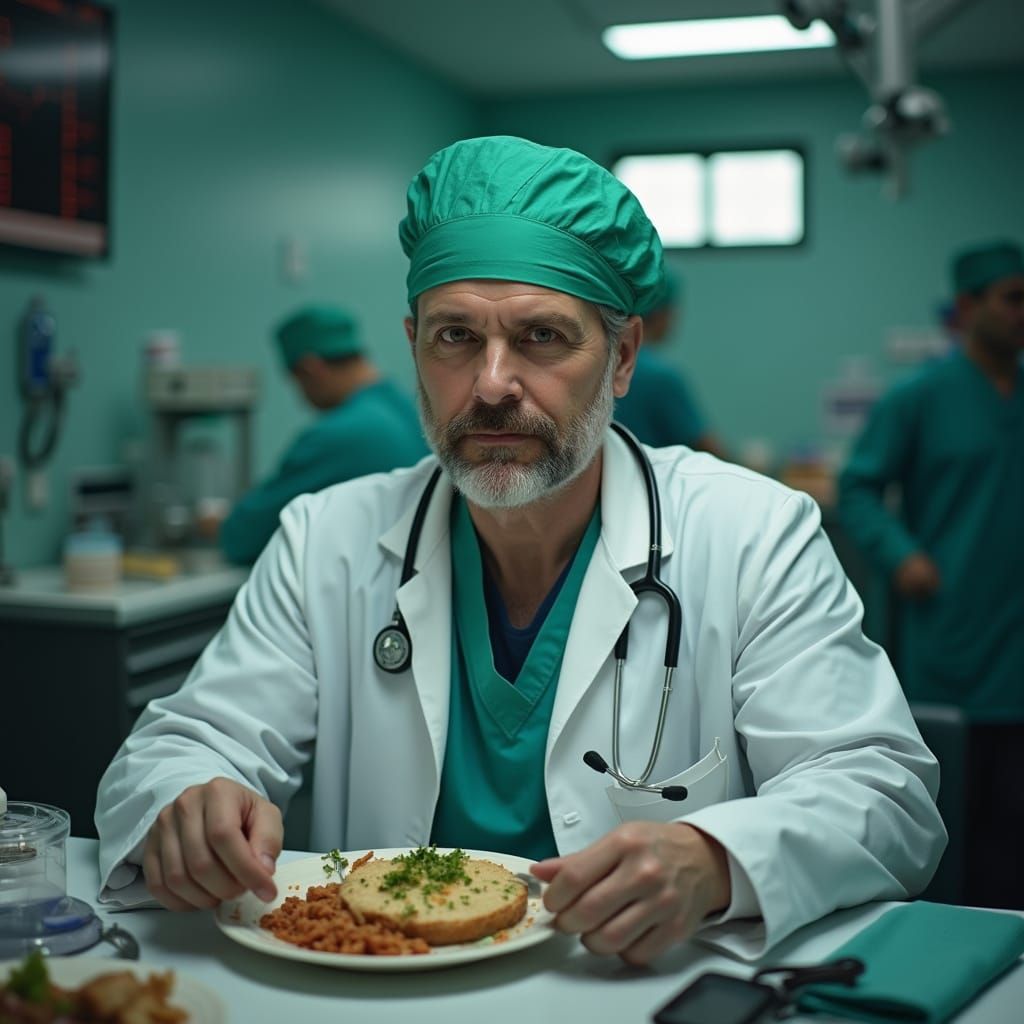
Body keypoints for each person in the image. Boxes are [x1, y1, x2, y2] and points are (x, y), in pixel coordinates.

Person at [96, 136, 944, 964]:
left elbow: (883, 794)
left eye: (542, 337)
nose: (493, 384)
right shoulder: (326, 537)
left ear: (621, 358)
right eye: (455, 338)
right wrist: (190, 799)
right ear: (414, 348)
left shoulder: (754, 535)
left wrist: (715, 860)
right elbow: (186, 743)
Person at [838, 239, 1024, 908]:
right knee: (951, 818)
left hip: (1016, 630)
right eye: (1012, 299)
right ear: (968, 307)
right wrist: (901, 554)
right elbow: (857, 488)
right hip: (951, 631)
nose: (1022, 314)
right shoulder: (920, 399)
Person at [218, 305, 427, 564]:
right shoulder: (408, 408)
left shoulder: (340, 434)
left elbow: (242, 538)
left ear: (311, 369)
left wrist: (213, 524)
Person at [613, 273, 726, 457]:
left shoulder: (605, 367)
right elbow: (707, 448)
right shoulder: (660, 377)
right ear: (661, 314)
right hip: (656, 481)